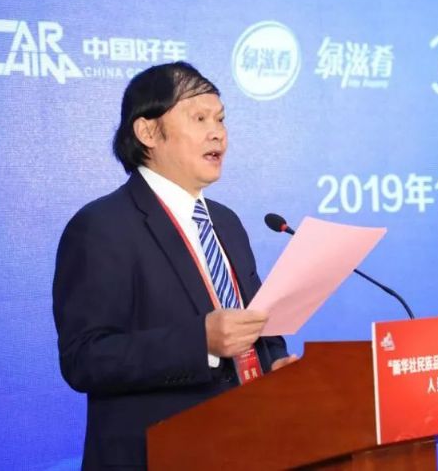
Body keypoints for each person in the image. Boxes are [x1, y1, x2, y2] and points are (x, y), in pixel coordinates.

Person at [53, 62, 297, 470]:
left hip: (246, 448)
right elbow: (85, 358)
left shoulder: (226, 222)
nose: (217, 133)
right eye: (199, 118)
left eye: (220, 119)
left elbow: (257, 328)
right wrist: (200, 342)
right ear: (148, 132)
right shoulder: (101, 226)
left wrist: (274, 363)